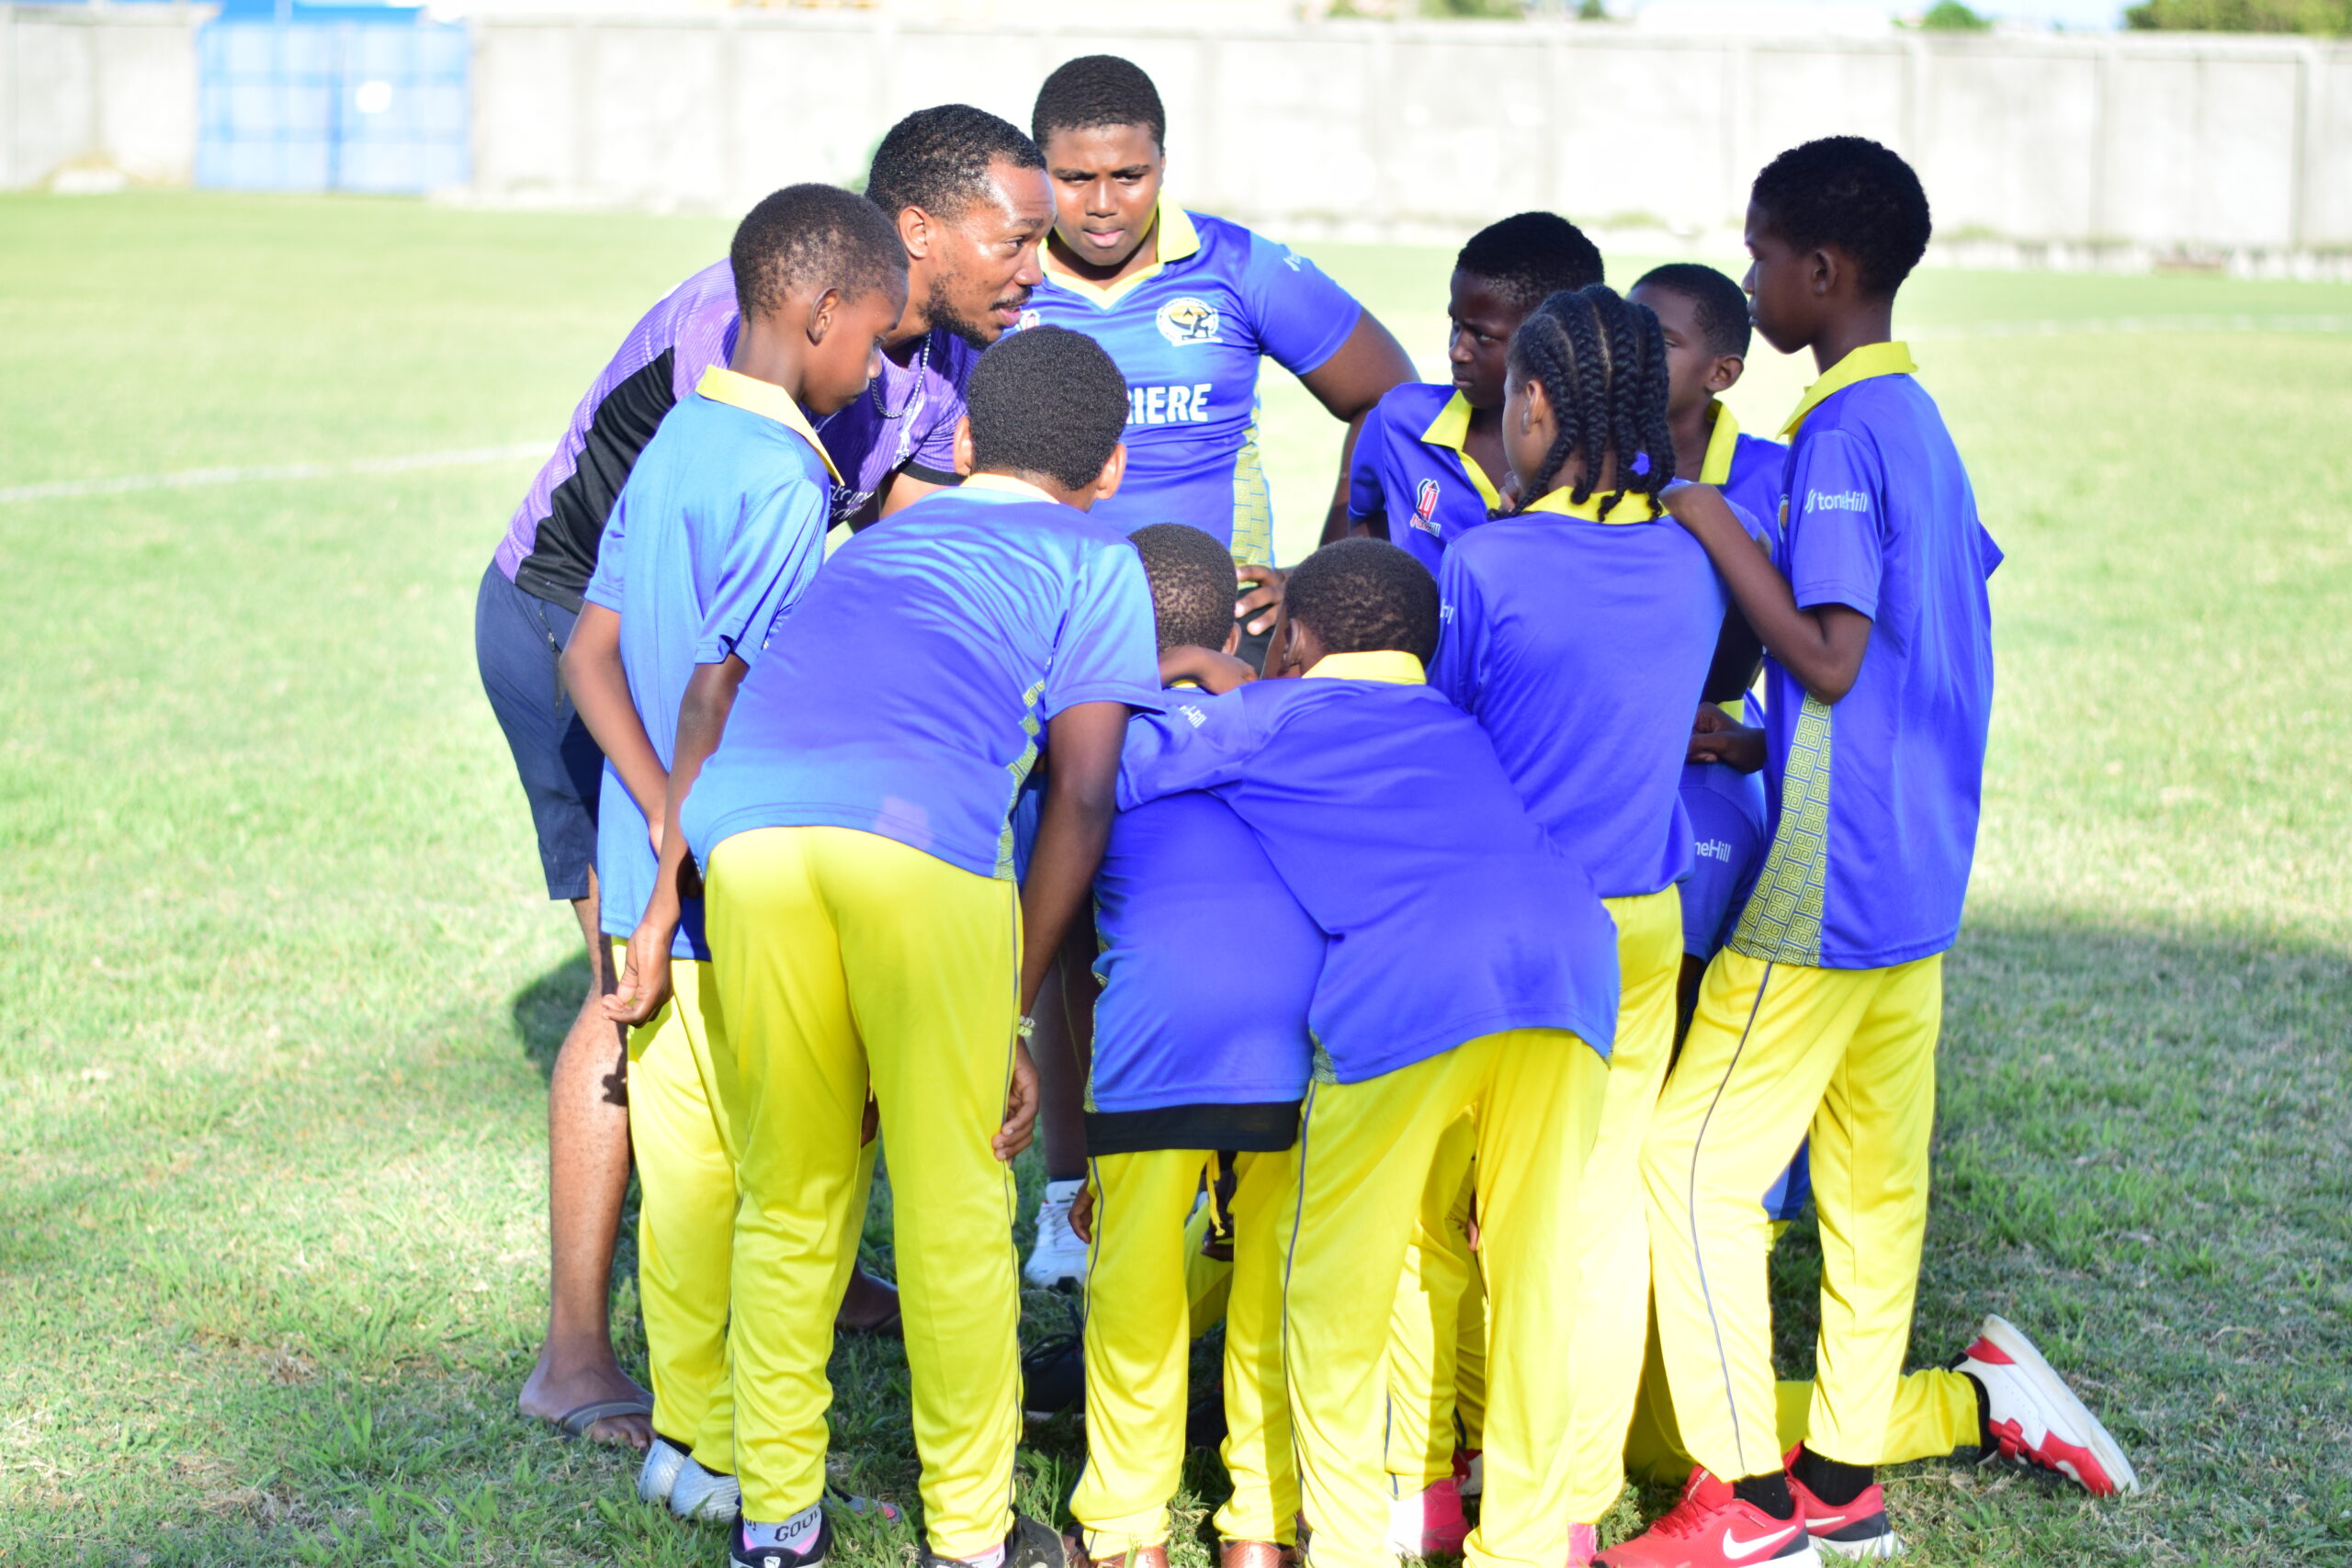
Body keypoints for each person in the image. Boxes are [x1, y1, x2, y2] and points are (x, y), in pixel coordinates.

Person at [473, 102, 1055, 1446]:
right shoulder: (739, 343)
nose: (1035, 267)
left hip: (708, 664)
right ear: (916, 235)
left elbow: (898, 561)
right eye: (1013, 239)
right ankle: (575, 1350)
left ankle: (810, 1252)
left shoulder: (940, 360)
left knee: (785, 955)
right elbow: (686, 597)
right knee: (643, 978)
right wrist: (680, 824)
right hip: (578, 626)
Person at [1602, 138, 2131, 1568]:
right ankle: (1842, 1475)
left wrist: (1709, 518)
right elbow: (1922, 634)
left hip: (1828, 884)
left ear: (1822, 272)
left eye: (1762, 255)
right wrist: (1756, 737)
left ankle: (1742, 1502)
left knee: (1689, 1165)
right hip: (1920, 871)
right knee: (1873, 1179)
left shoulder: (1839, 428)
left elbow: (1833, 656)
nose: (1753, 274)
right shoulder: (1921, 421)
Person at [663, 325, 1164, 1568]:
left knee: (791, 1191)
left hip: (747, 837)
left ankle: (777, 1523)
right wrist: (1010, 1004)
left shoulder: (878, 541)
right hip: (917, 845)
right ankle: (973, 1534)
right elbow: (1083, 792)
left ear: (969, 442)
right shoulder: (1098, 558)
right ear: (1111, 469)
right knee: (951, 1203)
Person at [1117, 536, 1622, 1568]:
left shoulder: (1270, 714)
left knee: (1327, 1289)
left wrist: (1193, 672)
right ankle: (1525, 1545)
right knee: (1534, 1276)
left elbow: (1123, 767)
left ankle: (1347, 1544)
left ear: (1295, 641)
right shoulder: (1456, 722)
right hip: (1571, 967)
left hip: (1414, 986)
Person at [1012, 48, 1416, 1297]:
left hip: (1215, 658)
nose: (1100, 204)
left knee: (1214, 902)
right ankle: (1074, 1193)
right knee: (1067, 914)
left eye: (1127, 175)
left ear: (1162, 165)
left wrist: (1323, 566)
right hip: (1050, 648)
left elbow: (1389, 398)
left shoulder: (1237, 269)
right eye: (1075, 177)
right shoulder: (1007, 274)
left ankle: (1234, 1175)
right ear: (1041, 170)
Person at [557, 186, 906, 1520]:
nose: (876, 369)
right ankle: (759, 1467)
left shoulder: (679, 435)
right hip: (725, 893)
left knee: (690, 1183)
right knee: (790, 1190)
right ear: (821, 312)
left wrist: (651, 822)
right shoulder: (782, 478)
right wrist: (676, 868)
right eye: (874, 337)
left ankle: (687, 1440)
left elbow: (589, 654)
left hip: (656, 870)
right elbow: (722, 689)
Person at [1428, 283, 1736, 1560]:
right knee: (1596, 1223)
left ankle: (1447, 1467)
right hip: (1643, 926)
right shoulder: (1693, 557)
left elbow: (1444, 741)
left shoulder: (1485, 560)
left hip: (1507, 932)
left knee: (1461, 1210)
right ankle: (1564, 1504)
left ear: (1540, 405)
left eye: (1510, 400)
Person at [1060, 522, 1320, 1568]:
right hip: (1294, 1042)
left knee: (1134, 1289)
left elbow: (1075, 948)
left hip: (1153, 1043)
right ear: (1233, 624)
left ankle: (1128, 1536)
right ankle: (1261, 1528)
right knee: (1274, 1284)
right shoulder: (1291, 718)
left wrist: (1093, 1149)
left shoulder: (1087, 739)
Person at [1347, 212, 1605, 575]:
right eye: (1455, 325)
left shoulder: (1612, 468)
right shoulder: (1401, 421)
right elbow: (1363, 522)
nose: (1457, 351)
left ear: (1556, 343)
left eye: (1481, 335)